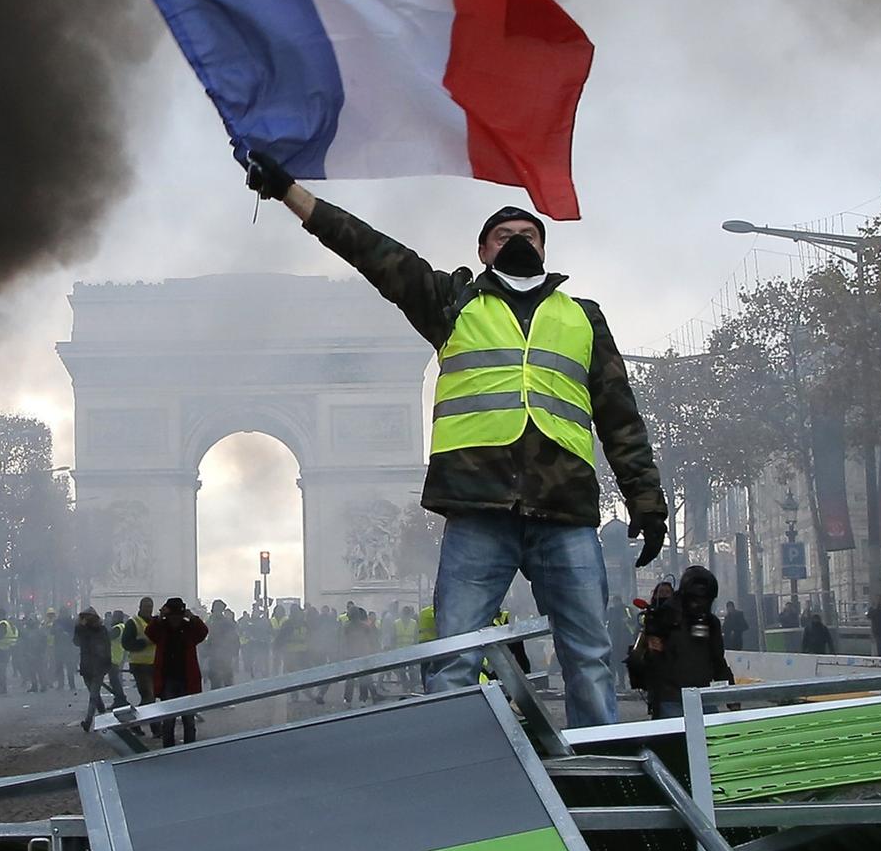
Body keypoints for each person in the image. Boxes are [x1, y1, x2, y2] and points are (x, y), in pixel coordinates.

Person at [245, 159, 667, 729]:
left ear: (544, 248)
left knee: (589, 658)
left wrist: (647, 499)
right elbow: (371, 249)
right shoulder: (451, 302)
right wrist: (290, 193)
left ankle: (605, 777)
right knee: (453, 659)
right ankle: (460, 766)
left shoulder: (585, 318)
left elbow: (621, 417)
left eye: (529, 234)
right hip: (479, 508)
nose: (518, 240)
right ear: (484, 251)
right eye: (504, 235)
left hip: (563, 509)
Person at [628, 565, 732, 720]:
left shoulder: (711, 622)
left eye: (706, 600)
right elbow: (646, 661)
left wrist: (731, 694)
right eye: (697, 600)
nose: (701, 605)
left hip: (702, 695)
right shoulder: (662, 617)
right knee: (675, 741)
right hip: (670, 697)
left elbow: (718, 660)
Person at [146, 597, 211, 745]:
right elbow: (149, 632)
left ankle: (188, 747)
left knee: (187, 719)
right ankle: (171, 748)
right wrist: (159, 617)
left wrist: (193, 618)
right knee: (170, 720)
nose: (174, 619)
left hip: (185, 678)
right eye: (172, 616)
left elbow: (203, 632)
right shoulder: (161, 627)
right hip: (169, 677)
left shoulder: (188, 628)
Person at [73, 610, 115, 731]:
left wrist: (107, 663)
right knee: (94, 694)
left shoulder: (101, 630)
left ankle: (88, 721)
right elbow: (76, 642)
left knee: (93, 695)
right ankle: (102, 711)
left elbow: (106, 647)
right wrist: (79, 626)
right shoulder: (82, 630)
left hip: (98, 666)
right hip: (87, 666)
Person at [124, 596, 160, 706]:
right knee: (148, 696)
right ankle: (140, 721)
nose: (148, 609)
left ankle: (150, 721)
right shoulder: (132, 622)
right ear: (140, 607)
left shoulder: (155, 622)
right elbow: (126, 644)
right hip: (139, 665)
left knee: (152, 696)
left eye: (150, 607)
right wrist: (144, 643)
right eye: (146, 607)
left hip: (154, 664)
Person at [205, 600, 239, 689]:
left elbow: (234, 639)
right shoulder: (209, 622)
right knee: (216, 681)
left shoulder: (226, 623)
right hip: (214, 656)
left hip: (224, 656)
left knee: (226, 680)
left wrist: (234, 653)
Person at [0, 609, 18, 695]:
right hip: (8, 648)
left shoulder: (2, 624)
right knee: (2, 670)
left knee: (1, 670)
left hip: (1, 650)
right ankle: (2, 687)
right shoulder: (10, 624)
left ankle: (2, 688)